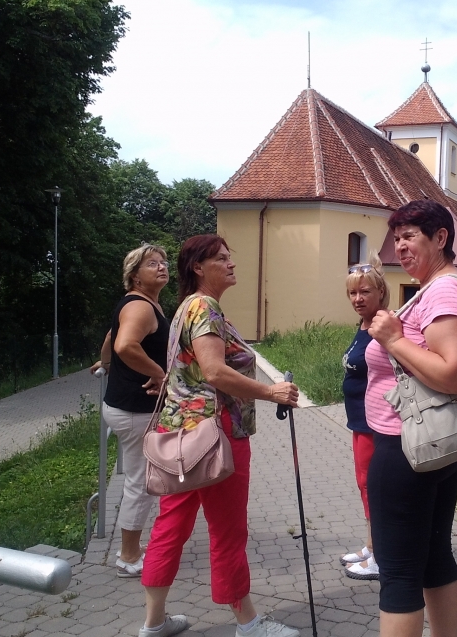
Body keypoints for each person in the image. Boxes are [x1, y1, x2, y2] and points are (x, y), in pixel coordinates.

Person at [138, 234, 301, 637]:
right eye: (222, 258)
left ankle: (153, 623)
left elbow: (189, 370)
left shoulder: (183, 309)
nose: (231, 264)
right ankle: (249, 624)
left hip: (179, 436)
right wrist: (271, 392)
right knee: (227, 530)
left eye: (230, 257)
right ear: (198, 267)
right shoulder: (206, 307)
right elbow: (214, 371)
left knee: (170, 526)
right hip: (216, 435)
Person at [364, 200, 457, 637]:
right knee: (432, 557)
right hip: (428, 443)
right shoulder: (436, 288)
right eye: (396, 239)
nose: (400, 247)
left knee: (397, 573)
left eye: (409, 236)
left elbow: (456, 373)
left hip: (407, 447)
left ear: (441, 238)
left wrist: (393, 340)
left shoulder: (443, 291)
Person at [90, 244, 170, 579]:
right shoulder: (141, 306)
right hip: (136, 409)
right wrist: (159, 374)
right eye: (152, 263)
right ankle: (128, 556)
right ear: (135, 275)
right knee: (141, 483)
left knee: (139, 478)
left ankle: (131, 548)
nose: (162, 266)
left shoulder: (141, 303)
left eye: (163, 262)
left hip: (124, 405)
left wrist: (106, 364)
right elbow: (125, 344)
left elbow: (112, 338)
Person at [340, 252, 389, 581]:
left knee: (376, 488)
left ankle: (383, 556)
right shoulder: (363, 325)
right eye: (352, 292)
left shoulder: (383, 324)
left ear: (380, 292)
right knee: (365, 485)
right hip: (359, 421)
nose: (358, 299)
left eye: (365, 292)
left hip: (376, 423)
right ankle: (373, 546)